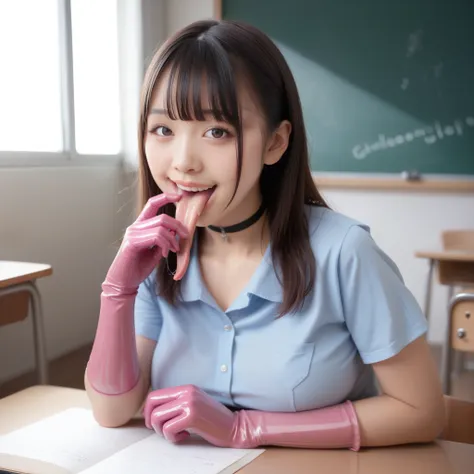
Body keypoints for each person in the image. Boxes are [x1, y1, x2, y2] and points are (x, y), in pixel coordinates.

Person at [84, 19, 445, 451]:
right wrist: (117, 290)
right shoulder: (157, 254)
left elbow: (421, 411)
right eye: (163, 130)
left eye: (217, 131)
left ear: (275, 143)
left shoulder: (344, 253)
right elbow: (112, 411)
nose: (183, 162)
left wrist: (245, 429)